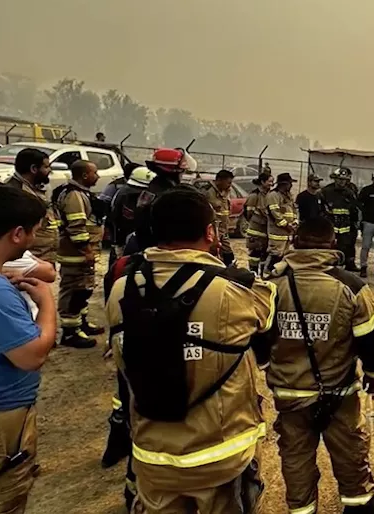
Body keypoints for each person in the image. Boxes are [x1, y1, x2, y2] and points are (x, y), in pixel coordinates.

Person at [105, 188, 275, 514]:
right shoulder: (236, 289)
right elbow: (266, 332)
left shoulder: (122, 287)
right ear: (210, 232)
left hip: (152, 453)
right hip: (220, 453)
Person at [264, 217, 374, 514]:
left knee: (295, 454)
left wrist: (271, 366)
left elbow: (261, 338)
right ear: (333, 244)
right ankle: (359, 503)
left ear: (295, 242)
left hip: (289, 393)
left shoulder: (272, 285)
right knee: (348, 449)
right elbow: (369, 340)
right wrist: (373, 373)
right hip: (338, 392)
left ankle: (302, 508)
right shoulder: (351, 286)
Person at [0, 185, 57, 514]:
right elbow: (31, 355)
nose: (35, 239)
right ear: (17, 234)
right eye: (34, 231)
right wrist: (47, 305)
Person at [52, 160, 102, 348]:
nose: (97, 176)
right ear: (84, 175)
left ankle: (81, 324)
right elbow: (77, 227)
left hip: (80, 253)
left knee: (83, 289)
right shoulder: (74, 196)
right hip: (76, 254)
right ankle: (70, 332)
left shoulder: (79, 193)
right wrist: (87, 250)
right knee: (74, 290)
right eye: (94, 173)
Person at [5, 148, 60, 265]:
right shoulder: (14, 192)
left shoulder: (38, 188)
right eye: (46, 167)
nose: (50, 170)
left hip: (44, 256)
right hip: (26, 260)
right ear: (34, 169)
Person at [133, 147, 195, 252]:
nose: (182, 175)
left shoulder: (154, 188)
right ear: (173, 171)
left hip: (148, 245)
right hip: (161, 248)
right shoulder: (168, 194)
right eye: (181, 171)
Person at [109, 167, 155, 264]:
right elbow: (114, 219)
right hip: (125, 241)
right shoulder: (122, 195)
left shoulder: (153, 201)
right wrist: (117, 244)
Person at [323, 168, 361, 272]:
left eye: (344, 179)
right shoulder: (326, 191)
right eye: (339, 179)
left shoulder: (350, 192)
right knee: (329, 248)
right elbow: (321, 209)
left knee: (345, 248)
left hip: (345, 227)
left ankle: (341, 268)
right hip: (330, 226)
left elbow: (354, 209)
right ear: (335, 179)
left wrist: (355, 225)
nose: (341, 181)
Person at [199, 169, 235, 267]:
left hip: (223, 229)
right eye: (228, 182)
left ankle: (229, 269)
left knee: (228, 253)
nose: (230, 185)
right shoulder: (207, 192)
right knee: (212, 253)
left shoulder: (227, 191)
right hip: (212, 229)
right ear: (219, 180)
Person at [265, 173, 299, 269]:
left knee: (284, 256)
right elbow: (274, 213)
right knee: (275, 255)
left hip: (287, 234)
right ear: (283, 184)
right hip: (277, 233)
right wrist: (286, 225)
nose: (291, 186)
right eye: (289, 183)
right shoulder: (273, 195)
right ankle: (267, 274)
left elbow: (294, 210)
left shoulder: (289, 196)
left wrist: (295, 222)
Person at [244, 172, 274, 274]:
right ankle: (253, 273)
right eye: (269, 181)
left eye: (272, 182)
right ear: (262, 182)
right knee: (254, 255)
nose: (271, 184)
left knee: (264, 255)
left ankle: (261, 275)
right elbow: (248, 214)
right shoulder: (254, 195)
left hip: (266, 232)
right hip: (255, 232)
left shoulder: (270, 195)